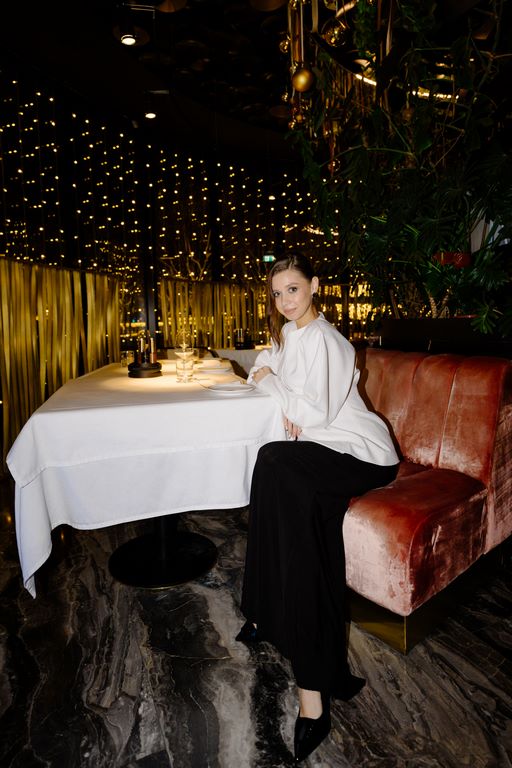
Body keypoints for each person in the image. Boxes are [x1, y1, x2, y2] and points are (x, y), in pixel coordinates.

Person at [236, 252, 399, 763]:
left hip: (361, 453)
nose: (285, 301)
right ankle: (267, 615)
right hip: (320, 448)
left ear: (314, 285)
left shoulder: (330, 341)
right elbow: (261, 367)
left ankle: (312, 686)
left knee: (277, 468)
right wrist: (271, 378)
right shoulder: (289, 336)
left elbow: (310, 412)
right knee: (274, 471)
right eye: (277, 293)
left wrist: (272, 383)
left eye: (293, 289)